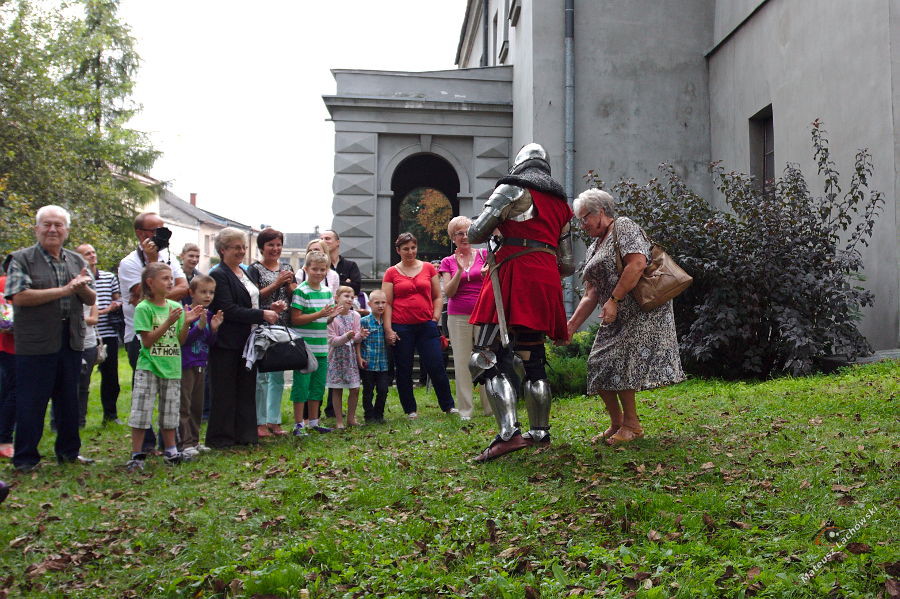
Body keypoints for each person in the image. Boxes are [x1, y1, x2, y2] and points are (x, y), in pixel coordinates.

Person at [467, 143, 575, 462]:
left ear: (520, 164)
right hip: (544, 279)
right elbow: (568, 263)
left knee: (484, 356)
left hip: (513, 273)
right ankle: (539, 432)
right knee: (532, 358)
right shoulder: (561, 205)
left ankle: (508, 435)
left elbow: (474, 233)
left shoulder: (513, 188)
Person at [567, 189, 685, 444]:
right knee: (598, 362)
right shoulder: (594, 247)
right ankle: (617, 422)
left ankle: (632, 426)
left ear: (600, 212)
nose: (582, 224)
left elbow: (637, 264)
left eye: (585, 218)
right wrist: (571, 327)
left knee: (623, 362)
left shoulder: (624, 227)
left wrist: (614, 300)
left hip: (640, 311)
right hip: (615, 314)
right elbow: (591, 293)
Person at [5, 205, 96, 471]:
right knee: (31, 401)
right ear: (37, 229)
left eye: (58, 225)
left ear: (67, 231)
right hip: (36, 342)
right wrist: (65, 290)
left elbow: (91, 298)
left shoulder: (76, 260)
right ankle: (25, 459)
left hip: (70, 340)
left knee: (69, 401)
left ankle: (69, 453)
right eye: (47, 224)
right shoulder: (21, 259)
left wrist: (81, 288)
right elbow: (19, 296)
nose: (52, 230)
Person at [207, 228, 284, 449]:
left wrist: (270, 308)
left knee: (245, 388)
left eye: (243, 247)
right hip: (227, 342)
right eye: (236, 248)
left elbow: (250, 301)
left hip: (248, 340)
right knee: (225, 390)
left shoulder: (244, 271)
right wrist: (262, 314)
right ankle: (222, 438)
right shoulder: (219, 275)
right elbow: (228, 309)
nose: (241, 251)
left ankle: (245, 434)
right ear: (223, 250)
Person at [118, 212, 188, 452]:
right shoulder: (129, 263)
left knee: (169, 400)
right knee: (144, 396)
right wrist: (151, 261)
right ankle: (144, 447)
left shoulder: (170, 257)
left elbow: (184, 287)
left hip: (169, 345)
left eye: (163, 229)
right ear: (140, 234)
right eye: (155, 230)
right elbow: (140, 297)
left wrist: (160, 295)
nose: (161, 235)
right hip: (139, 336)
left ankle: (167, 446)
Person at [126, 263, 204, 472]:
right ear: (150, 283)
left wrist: (186, 322)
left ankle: (171, 451)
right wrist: (168, 322)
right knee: (141, 411)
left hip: (171, 367)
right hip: (149, 367)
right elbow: (147, 341)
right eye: (165, 278)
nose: (170, 282)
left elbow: (180, 340)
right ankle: (137, 455)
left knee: (170, 412)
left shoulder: (174, 306)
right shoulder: (144, 308)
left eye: (171, 278)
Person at [382, 232, 456, 418]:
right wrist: (388, 329)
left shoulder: (428, 268)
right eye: (405, 249)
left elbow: (437, 296)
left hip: (426, 325)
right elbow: (387, 303)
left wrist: (435, 318)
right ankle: (410, 410)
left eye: (413, 248)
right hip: (401, 326)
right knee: (404, 368)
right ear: (398, 250)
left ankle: (448, 406)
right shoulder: (391, 272)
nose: (410, 252)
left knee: (436, 365)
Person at [439, 216, 492, 421]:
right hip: (458, 316)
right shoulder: (448, 262)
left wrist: (487, 274)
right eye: (459, 233)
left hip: (483, 314)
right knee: (462, 363)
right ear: (453, 238)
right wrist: (460, 270)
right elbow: (449, 292)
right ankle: (465, 411)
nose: (464, 237)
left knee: (486, 359)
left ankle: (490, 407)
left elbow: (493, 282)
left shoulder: (485, 255)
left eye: (468, 232)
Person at [247, 228, 295, 437]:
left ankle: (274, 421)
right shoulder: (254, 269)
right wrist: (276, 283)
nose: (275, 249)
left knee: (277, 376)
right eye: (270, 245)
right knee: (262, 377)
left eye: (278, 245)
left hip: (283, 326)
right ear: (261, 247)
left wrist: (290, 285)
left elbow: (295, 294)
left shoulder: (287, 267)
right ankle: (259, 422)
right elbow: (253, 296)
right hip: (263, 326)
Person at [290, 250, 338, 435]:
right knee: (301, 386)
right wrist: (320, 314)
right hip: (304, 348)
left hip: (322, 347)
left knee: (317, 386)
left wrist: (332, 316)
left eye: (322, 269)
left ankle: (314, 422)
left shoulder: (327, 291)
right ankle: (298, 424)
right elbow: (296, 319)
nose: (318, 273)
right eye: (315, 269)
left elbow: (325, 320)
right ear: (306, 269)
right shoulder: (301, 291)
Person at [77, 244, 123, 425]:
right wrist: (100, 312)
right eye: (87, 253)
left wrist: (114, 305)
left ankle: (110, 415)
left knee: (111, 377)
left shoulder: (109, 277)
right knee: (82, 378)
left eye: (93, 252)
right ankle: (78, 418)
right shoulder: (78, 279)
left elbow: (118, 299)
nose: (92, 255)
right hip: (85, 335)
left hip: (108, 333)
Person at [179, 274, 222, 458]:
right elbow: (184, 340)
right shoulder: (186, 313)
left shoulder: (209, 314)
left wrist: (214, 329)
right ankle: (184, 443)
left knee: (197, 406)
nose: (208, 296)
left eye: (211, 292)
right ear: (192, 293)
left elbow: (209, 342)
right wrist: (198, 327)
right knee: (185, 405)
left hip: (201, 364)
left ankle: (195, 441)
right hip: (186, 365)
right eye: (203, 292)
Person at [326, 286, 368, 429]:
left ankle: (351, 418)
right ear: (336, 298)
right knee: (337, 389)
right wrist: (346, 336)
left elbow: (355, 339)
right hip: (336, 358)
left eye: (352, 297)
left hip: (350, 358)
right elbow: (332, 340)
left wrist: (360, 336)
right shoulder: (332, 317)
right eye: (346, 296)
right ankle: (339, 421)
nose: (350, 299)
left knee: (355, 388)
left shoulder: (355, 315)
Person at [359, 289, 391, 424]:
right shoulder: (364, 321)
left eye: (383, 302)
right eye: (377, 303)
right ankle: (369, 415)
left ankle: (379, 414)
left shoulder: (387, 322)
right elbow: (358, 342)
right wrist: (359, 357)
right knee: (368, 390)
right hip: (369, 362)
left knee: (383, 390)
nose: (380, 306)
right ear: (369, 304)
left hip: (383, 363)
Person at [0, 271, 16, 459]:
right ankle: (5, 440)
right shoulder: (7, 283)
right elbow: (6, 323)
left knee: (6, 391)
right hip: (14, 346)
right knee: (15, 392)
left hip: (6, 346)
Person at [320, 229, 361, 294]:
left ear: (338, 242)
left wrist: (331, 282)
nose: (323, 241)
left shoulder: (351, 265)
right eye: (321, 239)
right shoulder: (319, 265)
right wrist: (345, 284)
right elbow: (319, 285)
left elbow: (356, 288)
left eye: (327, 238)